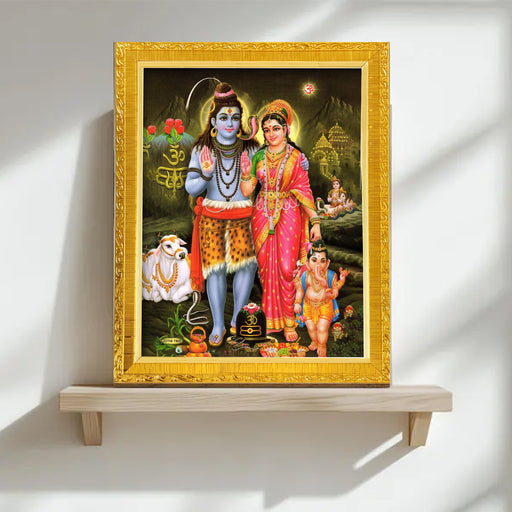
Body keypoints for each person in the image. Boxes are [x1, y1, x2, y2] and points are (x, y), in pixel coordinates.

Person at [240, 99, 321, 342]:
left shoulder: (297, 157)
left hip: (289, 214)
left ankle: (289, 322)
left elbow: (304, 191)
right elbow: (247, 191)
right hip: (261, 214)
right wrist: (244, 173)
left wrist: (316, 223)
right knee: (266, 270)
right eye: (266, 130)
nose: (271, 134)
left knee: (287, 269)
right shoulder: (258, 156)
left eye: (276, 128)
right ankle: (271, 321)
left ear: (286, 129)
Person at [185, 82, 259, 346]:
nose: (230, 123)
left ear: (241, 122)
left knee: (246, 267)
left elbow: (269, 178)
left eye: (235, 118)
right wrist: (206, 173)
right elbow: (191, 187)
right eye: (224, 118)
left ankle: (237, 320)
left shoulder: (251, 149)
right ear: (214, 121)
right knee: (215, 271)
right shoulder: (201, 149)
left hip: (244, 217)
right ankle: (218, 323)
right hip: (212, 217)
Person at [293, 240, 349, 357]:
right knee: (311, 328)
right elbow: (300, 290)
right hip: (308, 305)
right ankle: (315, 341)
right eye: (314, 260)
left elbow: (335, 290)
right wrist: (297, 303)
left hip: (325, 305)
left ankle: (322, 345)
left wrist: (331, 289)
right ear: (307, 263)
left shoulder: (330, 275)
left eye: (322, 261)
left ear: (327, 263)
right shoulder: (306, 275)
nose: (318, 265)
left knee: (322, 329)